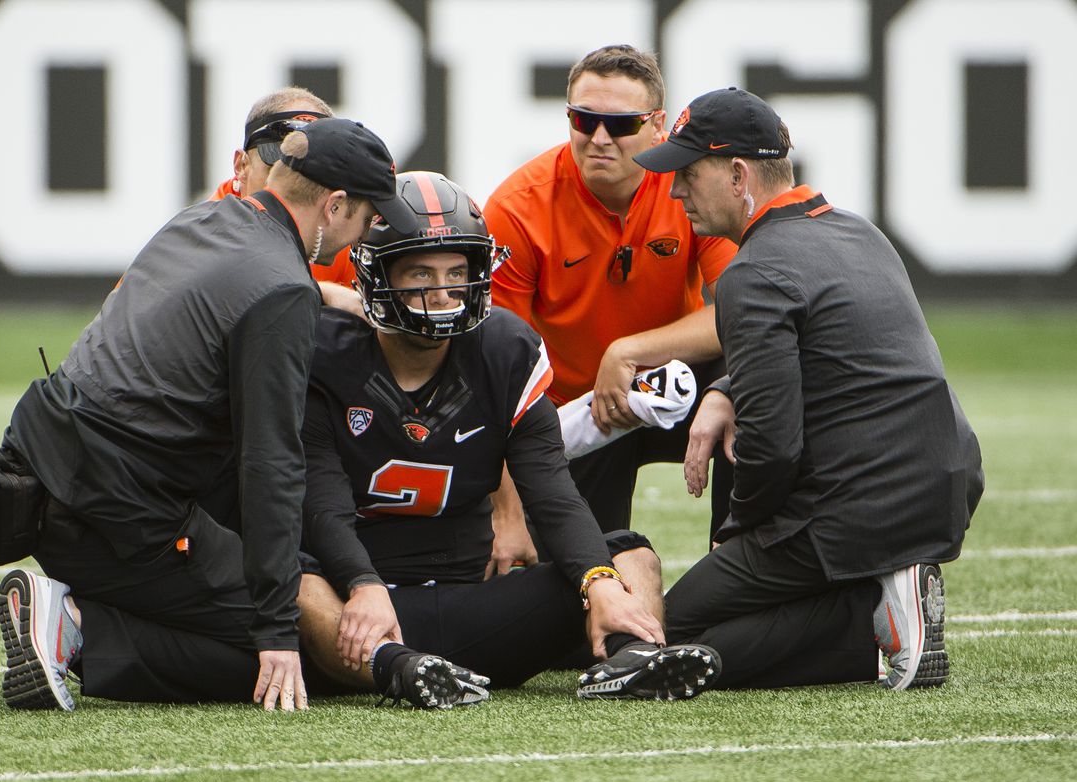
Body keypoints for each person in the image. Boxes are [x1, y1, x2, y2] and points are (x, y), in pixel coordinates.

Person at [0, 118, 417, 712]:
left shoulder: (200, 219)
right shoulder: (284, 289)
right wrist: (273, 631)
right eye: (369, 216)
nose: (366, 232)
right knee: (298, 644)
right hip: (111, 505)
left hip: (35, 460)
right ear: (334, 204)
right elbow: (270, 463)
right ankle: (73, 622)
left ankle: (80, 604)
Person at [296, 170, 721, 704]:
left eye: (457, 272)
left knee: (631, 557)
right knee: (296, 581)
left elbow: (552, 488)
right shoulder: (326, 357)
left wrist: (599, 581)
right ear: (377, 275)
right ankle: (398, 670)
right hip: (360, 603)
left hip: (470, 591)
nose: (444, 293)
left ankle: (630, 656)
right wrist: (362, 584)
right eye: (420, 275)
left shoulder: (503, 350)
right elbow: (323, 505)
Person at [634, 87, 984, 690]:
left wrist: (738, 533)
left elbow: (772, 447)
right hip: (945, 486)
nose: (675, 190)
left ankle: (867, 625)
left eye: (689, 173)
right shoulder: (859, 231)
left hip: (858, 512)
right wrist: (725, 392)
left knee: (666, 635)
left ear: (738, 174)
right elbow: (837, 355)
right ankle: (880, 596)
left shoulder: (754, 272)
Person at [483, 45, 738, 555]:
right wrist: (506, 512)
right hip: (574, 410)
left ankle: (739, 564)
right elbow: (495, 366)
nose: (599, 138)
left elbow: (744, 314)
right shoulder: (517, 207)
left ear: (657, 125)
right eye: (584, 120)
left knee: (757, 384)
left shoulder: (690, 186)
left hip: (676, 380)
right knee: (577, 574)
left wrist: (626, 351)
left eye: (620, 124)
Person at [208, 87, 362, 315]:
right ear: (241, 166)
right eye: (277, 170)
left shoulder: (342, 232)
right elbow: (235, 292)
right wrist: (324, 293)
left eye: (309, 177)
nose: (290, 191)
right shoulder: (210, 226)